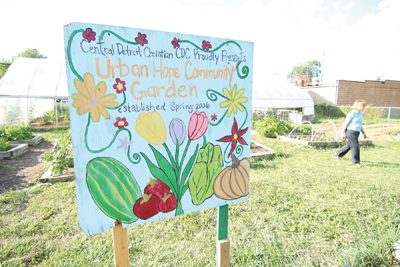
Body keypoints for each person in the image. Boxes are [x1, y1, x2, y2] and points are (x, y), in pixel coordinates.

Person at [335, 99, 367, 167]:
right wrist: (342, 132)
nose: (364, 107)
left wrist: (363, 133)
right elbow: (346, 123)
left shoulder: (361, 114)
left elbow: (360, 124)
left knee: (349, 145)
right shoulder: (352, 113)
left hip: (357, 132)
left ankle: (338, 154)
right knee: (355, 146)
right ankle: (356, 162)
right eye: (362, 105)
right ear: (357, 105)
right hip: (350, 131)